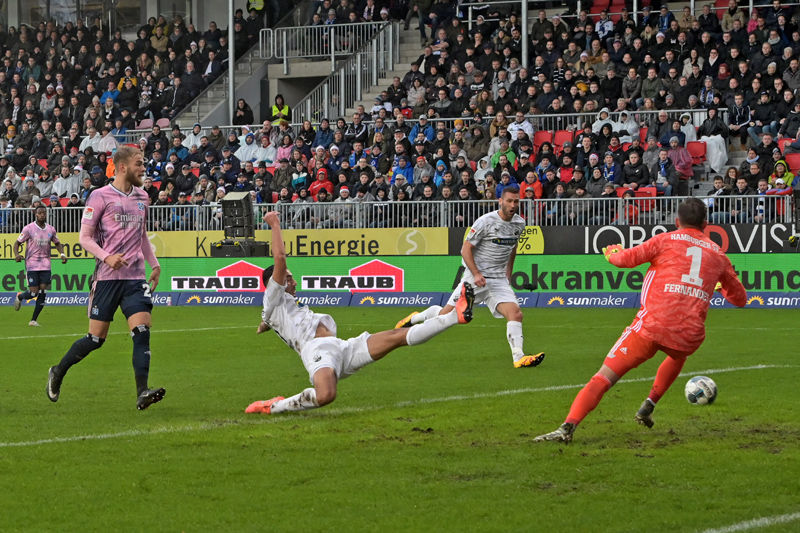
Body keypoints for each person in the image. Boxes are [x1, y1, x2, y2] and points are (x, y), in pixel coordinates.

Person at [534, 198, 747, 443]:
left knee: (603, 377)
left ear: (677, 222)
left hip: (651, 327)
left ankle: (566, 428)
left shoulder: (665, 240)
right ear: (706, 224)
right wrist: (720, 287)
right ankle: (649, 403)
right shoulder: (719, 255)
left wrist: (612, 253)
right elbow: (740, 299)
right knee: (678, 353)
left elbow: (625, 260)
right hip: (688, 336)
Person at [245, 211, 476, 414]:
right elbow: (280, 258)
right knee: (325, 396)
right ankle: (275, 406)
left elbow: (271, 319)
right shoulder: (272, 298)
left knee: (397, 338)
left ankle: (455, 315)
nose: (293, 281)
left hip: (343, 348)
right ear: (273, 284)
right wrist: (274, 224)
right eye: (287, 278)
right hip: (317, 350)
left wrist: (265, 324)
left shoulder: (278, 306)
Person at [45, 146, 166, 411]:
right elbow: (84, 238)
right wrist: (107, 257)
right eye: (138, 164)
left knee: (142, 332)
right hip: (107, 278)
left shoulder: (143, 197)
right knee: (95, 339)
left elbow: (142, 234)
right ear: (122, 167)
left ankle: (142, 391)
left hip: (135, 277)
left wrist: (154, 264)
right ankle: (58, 371)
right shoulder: (99, 196)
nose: (143, 168)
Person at [395, 186, 545, 369]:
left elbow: (513, 248)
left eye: (516, 201)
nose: (513, 205)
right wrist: (476, 274)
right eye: (509, 201)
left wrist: (508, 273)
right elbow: (465, 249)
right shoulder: (485, 221)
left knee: (515, 314)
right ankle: (416, 318)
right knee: (445, 317)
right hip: (476, 278)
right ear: (500, 201)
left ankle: (518, 357)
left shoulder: (519, 224)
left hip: (498, 279)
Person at [13, 205, 68, 326]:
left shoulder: (51, 229)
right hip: (31, 264)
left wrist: (62, 254)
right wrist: (17, 254)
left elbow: (57, 243)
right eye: (40, 213)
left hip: (46, 265)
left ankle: (33, 320)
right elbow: (17, 243)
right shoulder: (29, 228)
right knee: (33, 293)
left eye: (44, 213)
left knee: (43, 292)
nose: (42, 215)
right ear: (36, 214)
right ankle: (20, 296)